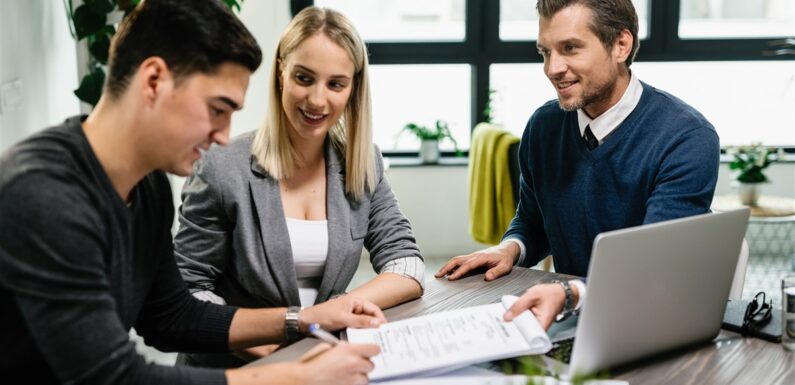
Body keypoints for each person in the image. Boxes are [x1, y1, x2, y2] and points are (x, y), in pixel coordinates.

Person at [0, 1, 384, 384]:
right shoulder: (42, 194)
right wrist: (295, 377)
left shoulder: (147, 186)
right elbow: (112, 378)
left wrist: (303, 319)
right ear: (153, 81)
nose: (222, 136)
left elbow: (171, 317)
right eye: (217, 109)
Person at [436, 0, 719, 330]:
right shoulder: (543, 127)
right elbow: (533, 221)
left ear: (621, 45)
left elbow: (654, 265)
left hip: (649, 322)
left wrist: (571, 294)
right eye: (545, 52)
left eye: (570, 48)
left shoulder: (685, 138)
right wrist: (510, 248)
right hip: (570, 320)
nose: (552, 68)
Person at [174, 6, 424, 367]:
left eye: (336, 84)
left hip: (321, 357)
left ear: (353, 89)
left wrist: (330, 313)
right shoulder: (222, 166)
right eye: (304, 78)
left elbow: (407, 265)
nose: (318, 100)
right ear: (281, 73)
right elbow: (189, 289)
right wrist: (275, 347)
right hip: (235, 365)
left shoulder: (363, 162)